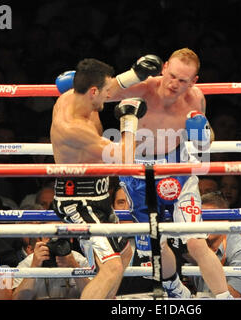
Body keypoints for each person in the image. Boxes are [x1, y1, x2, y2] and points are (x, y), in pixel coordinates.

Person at [108, 48, 230, 298]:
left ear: (194, 81)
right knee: (156, 244)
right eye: (172, 75)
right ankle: (174, 287)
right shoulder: (143, 86)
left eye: (183, 80)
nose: (174, 84)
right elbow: (105, 93)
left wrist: (203, 133)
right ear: (164, 68)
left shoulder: (196, 98)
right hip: (137, 171)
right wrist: (132, 74)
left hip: (178, 170)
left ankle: (224, 296)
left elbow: (203, 145)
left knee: (196, 241)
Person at [51, 56, 161, 299]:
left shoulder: (78, 97)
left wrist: (136, 74)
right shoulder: (73, 127)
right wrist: (129, 120)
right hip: (77, 200)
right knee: (111, 267)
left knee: (123, 255)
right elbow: (124, 162)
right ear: (92, 91)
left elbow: (111, 87)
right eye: (104, 93)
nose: (110, 96)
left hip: (98, 196)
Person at [192, 192, 241, 298]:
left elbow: (234, 294)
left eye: (210, 219)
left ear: (225, 220)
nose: (205, 225)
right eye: (201, 219)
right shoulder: (194, 242)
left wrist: (203, 256)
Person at [12, 230, 90, 300]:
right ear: (40, 240)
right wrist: (34, 267)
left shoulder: (78, 260)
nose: (55, 242)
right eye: (49, 237)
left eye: (60, 236)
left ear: (70, 239)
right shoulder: (30, 262)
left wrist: (74, 266)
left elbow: (95, 296)